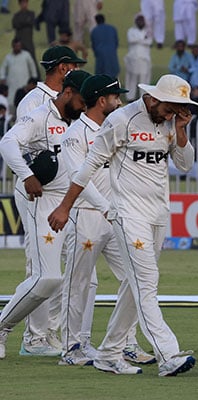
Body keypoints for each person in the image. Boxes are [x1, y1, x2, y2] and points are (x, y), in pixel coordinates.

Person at [47, 74, 198, 376]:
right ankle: (168, 353)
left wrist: (182, 131)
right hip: (127, 214)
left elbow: (185, 164)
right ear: (154, 98)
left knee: (135, 285)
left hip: (158, 214)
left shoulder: (172, 122)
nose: (173, 114)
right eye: (171, 108)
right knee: (147, 282)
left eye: (179, 110)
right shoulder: (122, 119)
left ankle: (108, 353)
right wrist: (65, 205)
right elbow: (89, 165)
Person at [58, 74, 155, 367]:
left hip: (118, 217)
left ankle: (126, 343)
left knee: (132, 278)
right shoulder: (75, 134)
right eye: (116, 97)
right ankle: (72, 347)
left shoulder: (117, 128)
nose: (120, 102)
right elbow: (80, 179)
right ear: (102, 100)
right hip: (87, 217)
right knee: (78, 282)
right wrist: (105, 207)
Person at [0, 69, 91, 360]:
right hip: (45, 199)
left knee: (82, 276)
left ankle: (70, 341)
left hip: (75, 201)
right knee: (47, 277)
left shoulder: (81, 120)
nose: (85, 105)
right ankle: (8, 328)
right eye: (82, 99)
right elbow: (7, 143)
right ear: (67, 93)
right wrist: (26, 174)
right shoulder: (39, 115)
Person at [0, 38, 38, 116]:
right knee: (11, 101)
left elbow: (32, 67)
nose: (17, 48)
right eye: (16, 46)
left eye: (19, 46)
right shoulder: (8, 57)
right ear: (13, 46)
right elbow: (3, 68)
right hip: (12, 84)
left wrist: (34, 78)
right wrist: (2, 77)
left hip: (24, 82)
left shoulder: (26, 55)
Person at [124, 13, 152, 102]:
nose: (140, 22)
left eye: (142, 20)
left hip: (144, 59)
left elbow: (149, 41)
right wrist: (142, 40)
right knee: (132, 78)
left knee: (144, 80)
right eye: (139, 20)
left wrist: (139, 40)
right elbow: (131, 40)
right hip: (133, 59)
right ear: (135, 21)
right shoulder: (131, 31)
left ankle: (143, 98)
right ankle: (130, 98)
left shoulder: (148, 31)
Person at [90, 14, 119, 79]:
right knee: (113, 76)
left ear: (96, 21)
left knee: (101, 78)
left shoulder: (94, 31)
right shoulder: (112, 29)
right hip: (112, 55)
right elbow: (116, 43)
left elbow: (93, 45)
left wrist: (96, 53)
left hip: (101, 56)